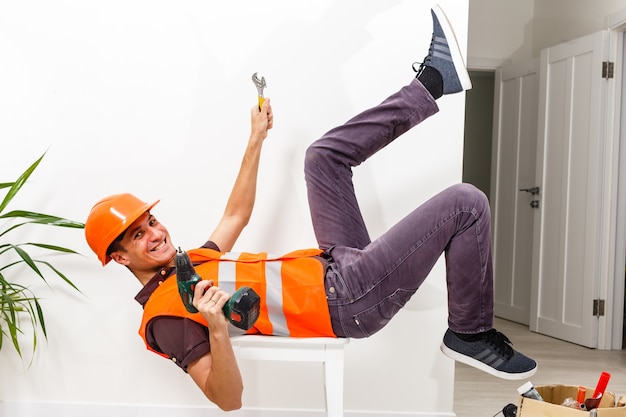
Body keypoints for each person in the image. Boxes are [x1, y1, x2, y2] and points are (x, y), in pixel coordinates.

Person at [85, 5, 537, 411]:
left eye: (152, 221)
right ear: (120, 257)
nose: (156, 233)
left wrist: (255, 139)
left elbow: (235, 216)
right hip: (349, 299)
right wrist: (217, 327)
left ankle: (433, 82)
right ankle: (470, 334)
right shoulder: (165, 316)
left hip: (337, 266)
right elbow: (227, 399)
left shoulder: (190, 265)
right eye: (139, 234)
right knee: (465, 203)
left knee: (322, 157)